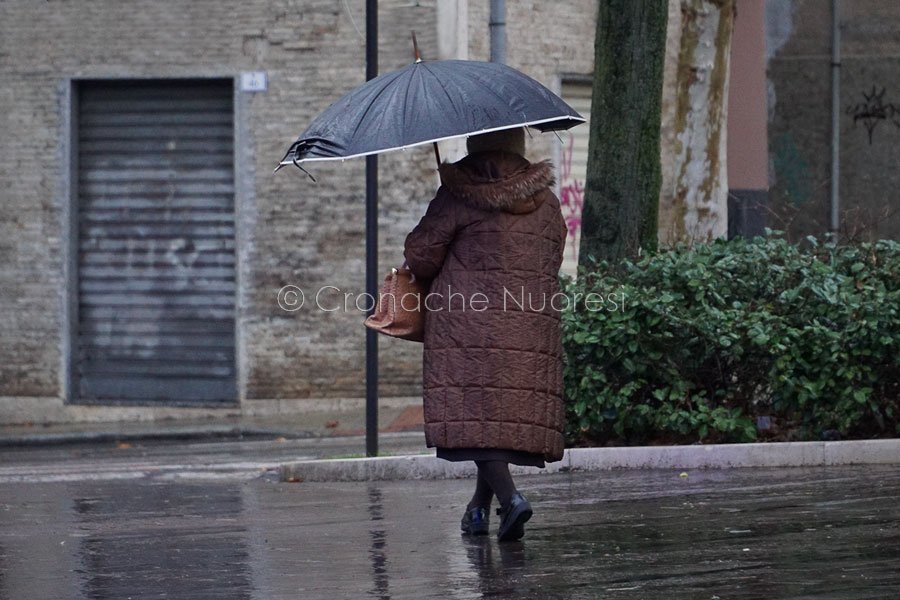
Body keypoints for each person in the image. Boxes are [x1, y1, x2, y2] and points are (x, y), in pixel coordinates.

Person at [403, 127, 566, 542]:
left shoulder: (457, 196)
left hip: (466, 328)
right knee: (489, 419)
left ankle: (511, 501)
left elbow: (421, 258)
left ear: (475, 146)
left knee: (477, 413)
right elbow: (553, 255)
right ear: (520, 149)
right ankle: (478, 509)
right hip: (529, 325)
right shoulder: (546, 203)